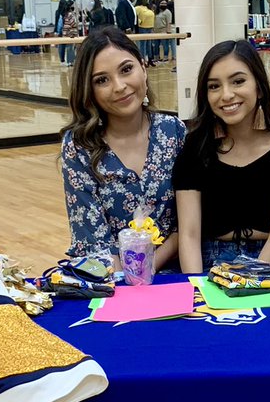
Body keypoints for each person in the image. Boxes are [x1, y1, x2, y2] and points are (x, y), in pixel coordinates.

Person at [174, 39, 270, 273]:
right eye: (214, 86)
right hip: (209, 262)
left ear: (259, 87)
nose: (226, 95)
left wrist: (251, 282)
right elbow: (189, 234)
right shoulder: (195, 149)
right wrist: (196, 289)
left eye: (238, 81)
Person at [60, 26, 184, 269]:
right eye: (102, 80)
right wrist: (130, 281)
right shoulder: (79, 146)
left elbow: (188, 223)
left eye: (126, 69)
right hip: (112, 280)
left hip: (174, 272)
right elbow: (92, 241)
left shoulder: (174, 131)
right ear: (90, 90)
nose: (119, 86)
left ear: (143, 67)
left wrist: (146, 268)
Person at [134, 0, 155, 66]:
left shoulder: (148, 7)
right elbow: (135, 17)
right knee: (143, 45)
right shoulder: (137, 8)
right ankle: (143, 60)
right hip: (142, 28)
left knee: (149, 45)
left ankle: (150, 59)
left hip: (150, 27)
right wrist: (140, 21)